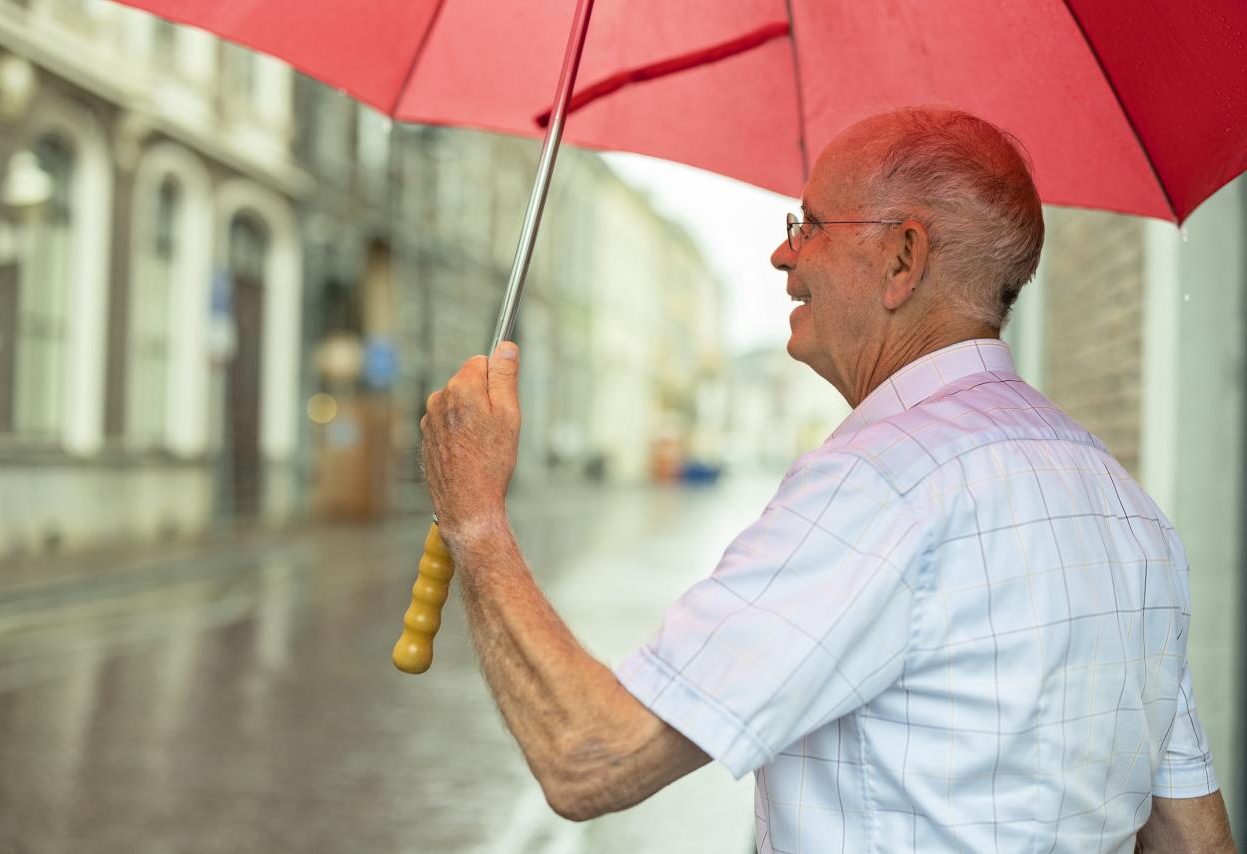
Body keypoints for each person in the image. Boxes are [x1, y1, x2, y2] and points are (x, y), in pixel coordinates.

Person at [417, 107, 1234, 853]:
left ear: (903, 258)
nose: (783, 254)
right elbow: (1192, 835)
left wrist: (477, 516)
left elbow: (589, 753)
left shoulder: (880, 481)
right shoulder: (1128, 510)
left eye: (808, 225)